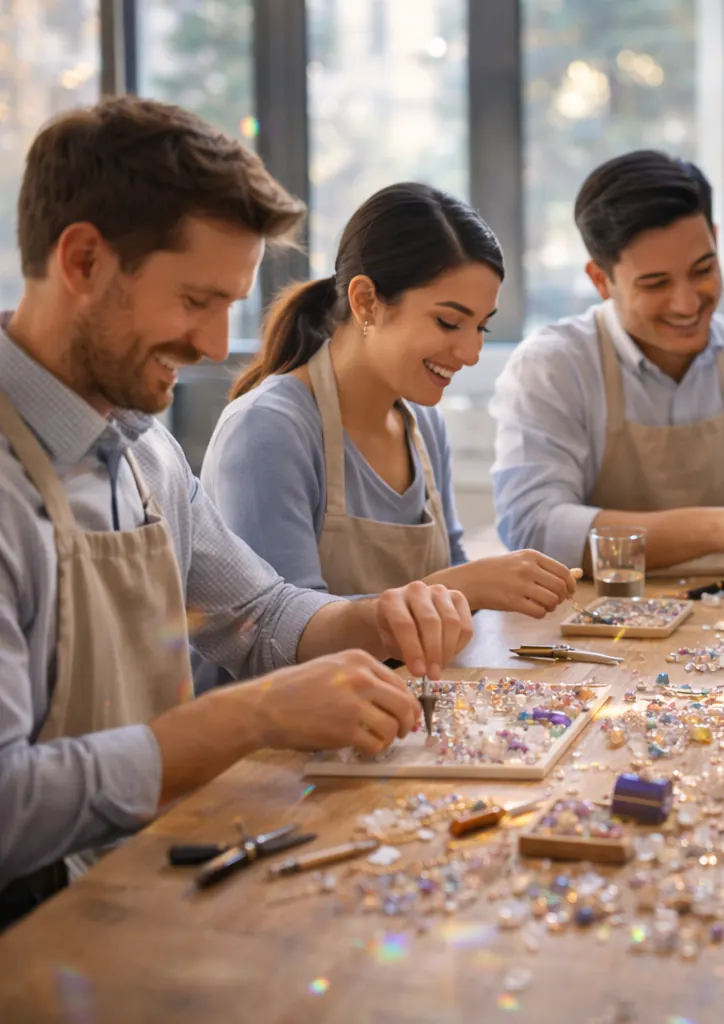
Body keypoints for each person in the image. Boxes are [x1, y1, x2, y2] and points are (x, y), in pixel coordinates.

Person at [0, 97, 473, 926]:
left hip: (145, 876)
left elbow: (257, 613)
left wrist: (379, 617)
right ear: (82, 260)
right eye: (195, 300)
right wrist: (248, 716)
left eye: (231, 305)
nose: (217, 347)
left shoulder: (144, 450)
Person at [195, 184, 576, 690]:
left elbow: (453, 576)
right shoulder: (267, 430)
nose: (470, 353)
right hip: (282, 730)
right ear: (366, 301)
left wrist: (491, 585)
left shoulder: (423, 423)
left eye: (481, 328)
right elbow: (279, 640)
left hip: (395, 707)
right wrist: (465, 585)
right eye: (448, 322)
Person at [490, 151, 724, 570]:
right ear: (600, 280)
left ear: (716, 241)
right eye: (655, 284)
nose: (687, 304)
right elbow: (535, 528)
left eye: (703, 270)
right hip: (596, 611)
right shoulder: (553, 368)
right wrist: (718, 529)